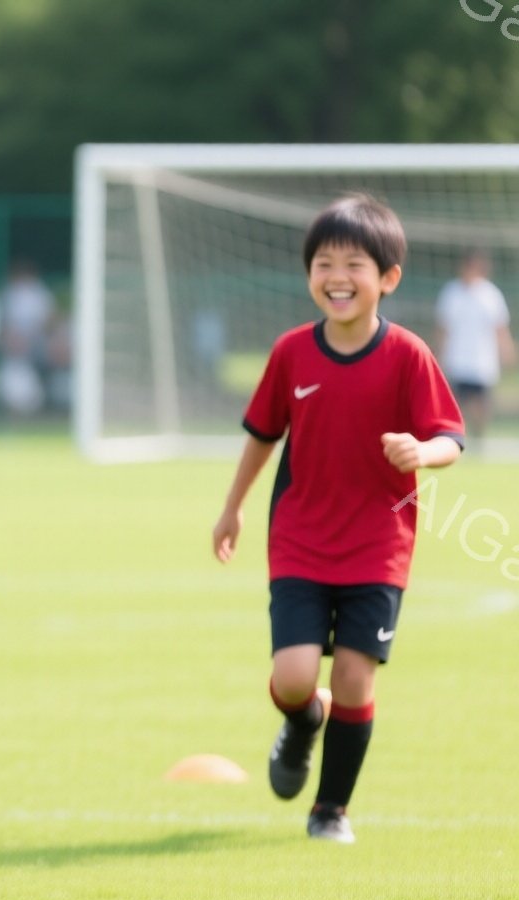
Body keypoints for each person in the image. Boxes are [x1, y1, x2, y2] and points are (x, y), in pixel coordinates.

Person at [212, 194, 464, 844]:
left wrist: (423, 452)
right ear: (309, 275)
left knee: (353, 678)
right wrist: (233, 506)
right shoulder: (292, 352)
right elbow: (264, 434)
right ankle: (301, 724)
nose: (337, 276)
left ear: (388, 277)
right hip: (300, 537)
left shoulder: (407, 355)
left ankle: (330, 811)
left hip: (379, 544)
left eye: (354, 263)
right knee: (297, 678)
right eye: (324, 262)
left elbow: (449, 438)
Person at [433, 248, 514, 439]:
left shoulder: (491, 295)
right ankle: (458, 439)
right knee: (456, 405)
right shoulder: (451, 293)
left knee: (481, 406)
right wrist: (438, 355)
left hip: (482, 361)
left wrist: (507, 351)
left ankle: (479, 441)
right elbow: (443, 328)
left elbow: (500, 328)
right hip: (457, 360)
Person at [0, 260, 54, 416]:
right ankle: (15, 401)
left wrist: (30, 339)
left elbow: (49, 322)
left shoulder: (40, 293)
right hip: (13, 345)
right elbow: (1, 324)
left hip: (37, 343)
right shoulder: (8, 293)